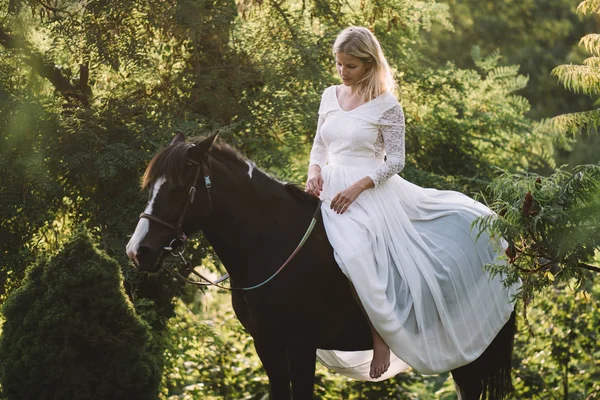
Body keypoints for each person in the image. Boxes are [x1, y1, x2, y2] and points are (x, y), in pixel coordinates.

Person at [305, 26, 518, 381]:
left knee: (354, 252)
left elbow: (395, 161)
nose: (343, 72)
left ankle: (381, 338)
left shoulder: (387, 105)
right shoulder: (330, 95)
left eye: (351, 66)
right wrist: (314, 171)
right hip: (328, 188)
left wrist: (357, 188)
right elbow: (319, 144)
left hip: (368, 192)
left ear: (370, 64)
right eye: (339, 64)